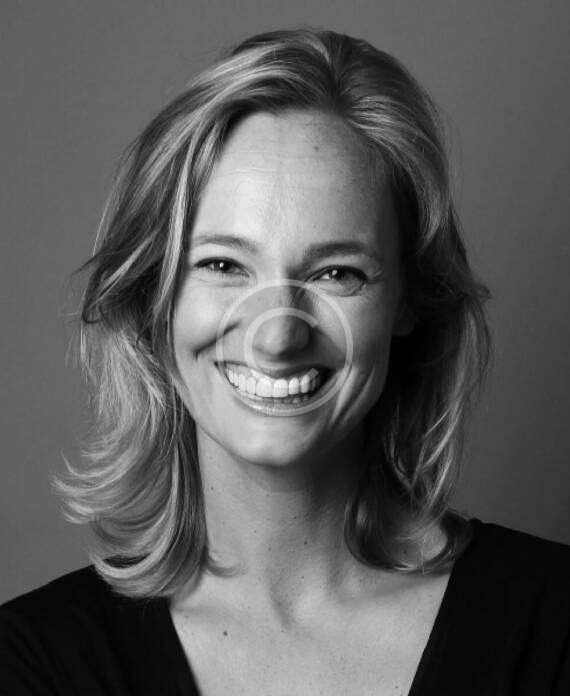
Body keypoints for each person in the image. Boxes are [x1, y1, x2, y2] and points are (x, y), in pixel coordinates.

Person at [1, 27, 568, 696]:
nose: (276, 337)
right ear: (155, 296)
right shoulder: (32, 663)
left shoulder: (553, 628)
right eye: (223, 265)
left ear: (410, 300)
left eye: (336, 273)